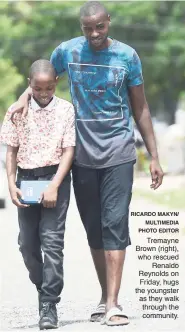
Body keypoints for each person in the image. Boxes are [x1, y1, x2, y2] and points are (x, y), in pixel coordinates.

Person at [10, 1, 164, 327]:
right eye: (88, 28)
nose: (94, 34)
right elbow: (41, 78)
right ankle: (103, 296)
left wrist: (154, 156)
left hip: (119, 153)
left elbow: (142, 108)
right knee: (94, 228)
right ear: (81, 26)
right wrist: (24, 98)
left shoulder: (127, 57)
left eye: (100, 27)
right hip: (81, 156)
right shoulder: (68, 52)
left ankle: (113, 303)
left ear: (109, 21)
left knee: (115, 225)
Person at [0, 59, 75, 330]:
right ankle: (43, 287)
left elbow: (69, 150)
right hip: (27, 179)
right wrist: (11, 182)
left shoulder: (66, 110)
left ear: (56, 84)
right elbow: (10, 150)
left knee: (52, 243)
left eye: (49, 88)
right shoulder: (16, 111)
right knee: (27, 245)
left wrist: (55, 184)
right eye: (38, 89)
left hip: (55, 177)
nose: (44, 94)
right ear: (29, 86)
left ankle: (49, 305)